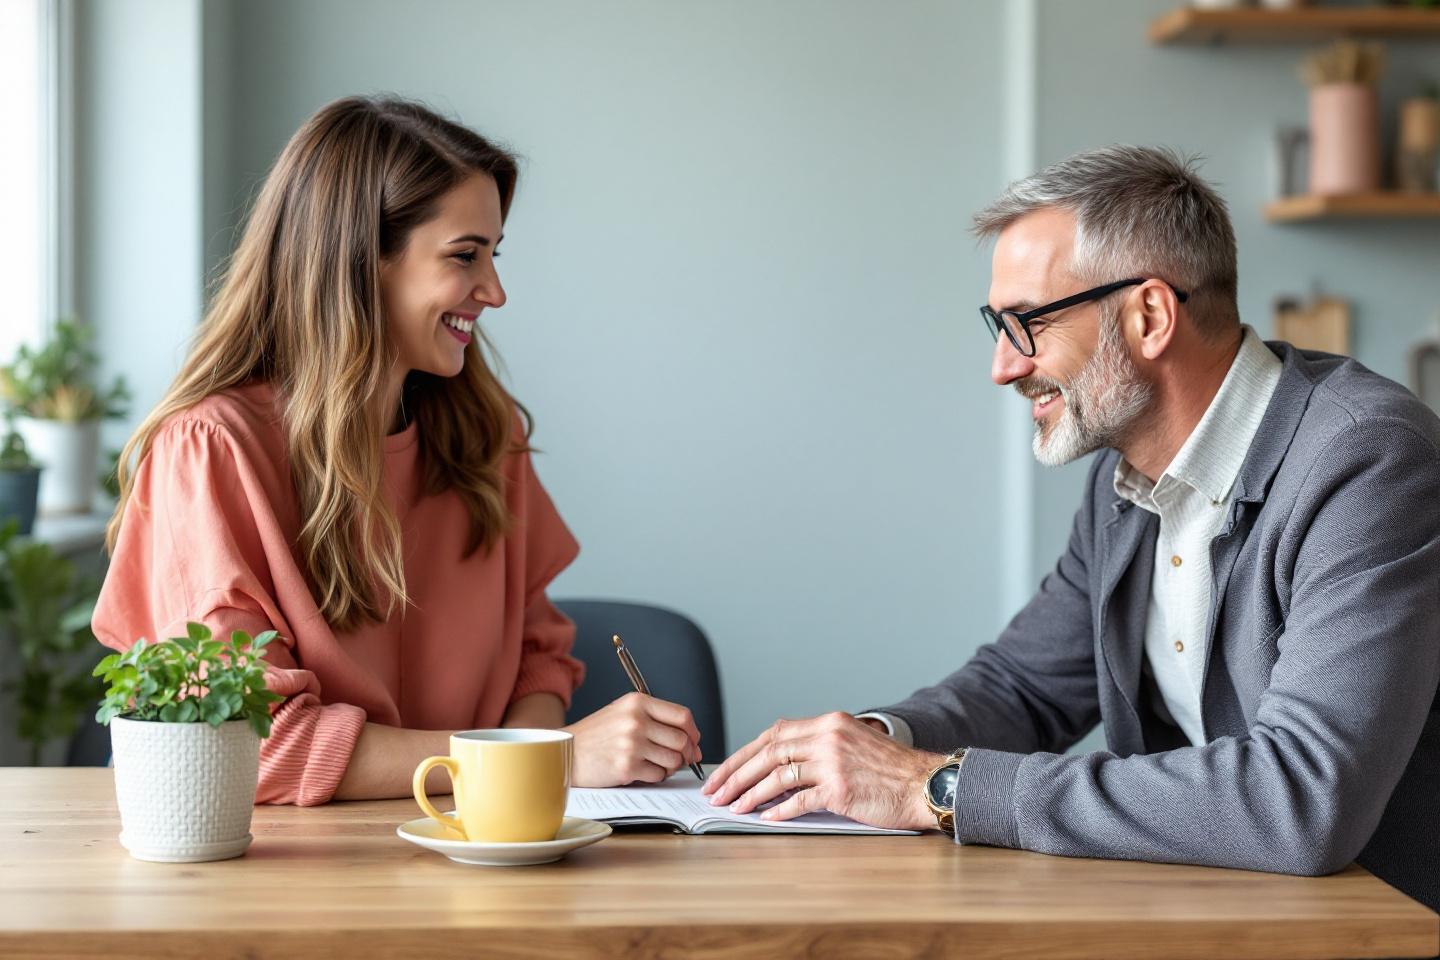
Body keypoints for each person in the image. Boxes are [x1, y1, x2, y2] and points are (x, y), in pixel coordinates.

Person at [703, 145, 1439, 912]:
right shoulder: (1125, 480)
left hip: (1383, 923)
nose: (1003, 367)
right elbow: (1024, 689)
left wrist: (939, 787)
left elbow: (1300, 800)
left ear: (1148, 315)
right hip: (1223, 913)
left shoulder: (1366, 462)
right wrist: (868, 747)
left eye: (1025, 324)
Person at [92, 96, 702, 805]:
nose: (495, 291)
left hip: (486, 862)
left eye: (493, 255)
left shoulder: (484, 433)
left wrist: (537, 766)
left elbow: (540, 657)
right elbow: (249, 745)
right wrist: (546, 761)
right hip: (303, 878)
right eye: (465, 256)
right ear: (362, 261)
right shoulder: (212, 451)